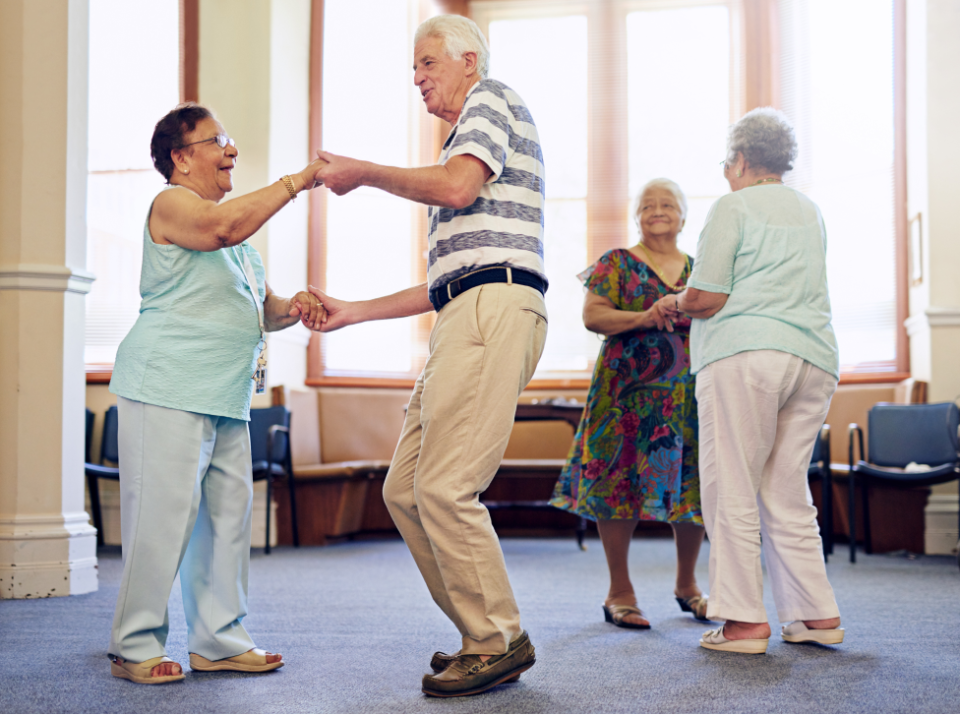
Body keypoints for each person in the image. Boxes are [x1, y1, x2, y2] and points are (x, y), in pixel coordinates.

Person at [309, 15, 545, 698]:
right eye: (414, 68)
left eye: (426, 64)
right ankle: (481, 634)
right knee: (405, 487)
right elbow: (447, 280)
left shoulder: (490, 101)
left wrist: (362, 172)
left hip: (492, 310)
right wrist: (353, 311)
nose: (417, 78)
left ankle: (497, 635)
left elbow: (454, 187)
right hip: (467, 310)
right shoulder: (464, 139)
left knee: (443, 486)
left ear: (470, 59)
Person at [107, 102, 326, 684]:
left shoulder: (240, 247)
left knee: (229, 520)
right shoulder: (174, 205)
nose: (232, 151)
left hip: (225, 395)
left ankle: (220, 640)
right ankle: (135, 647)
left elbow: (261, 310)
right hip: (167, 384)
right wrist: (298, 180)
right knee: (164, 519)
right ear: (181, 158)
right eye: (218, 141)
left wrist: (293, 309)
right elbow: (223, 225)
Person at [659, 107, 844, 654]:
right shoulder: (809, 210)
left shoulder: (733, 206)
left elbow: (708, 296)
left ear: (740, 160)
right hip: (813, 359)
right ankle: (816, 616)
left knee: (731, 487)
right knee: (786, 490)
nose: (725, 172)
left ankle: (742, 623)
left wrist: (675, 301)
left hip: (747, 356)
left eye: (726, 162)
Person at [550, 179, 709, 629]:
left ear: (683, 214)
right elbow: (592, 315)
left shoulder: (701, 268)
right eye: (648, 205)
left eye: (668, 204)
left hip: (685, 396)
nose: (658, 211)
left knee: (690, 485)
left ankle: (688, 585)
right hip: (623, 396)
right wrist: (645, 316)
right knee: (616, 483)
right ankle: (619, 591)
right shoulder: (617, 263)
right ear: (636, 215)